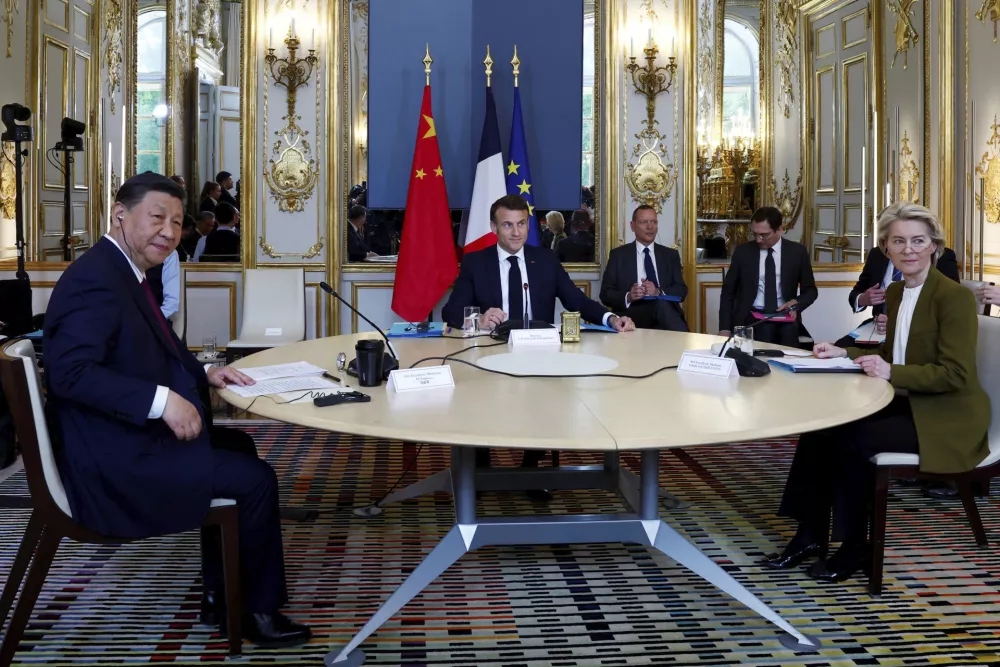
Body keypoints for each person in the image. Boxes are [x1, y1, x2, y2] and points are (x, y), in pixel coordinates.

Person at [43, 172, 311, 646]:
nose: (169, 231)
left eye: (176, 222)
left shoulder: (125, 271)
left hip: (121, 439)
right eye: (157, 218)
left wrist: (204, 373)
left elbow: (160, 345)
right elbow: (71, 374)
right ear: (120, 215)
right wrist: (162, 400)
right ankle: (257, 612)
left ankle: (221, 593)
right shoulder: (94, 280)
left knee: (238, 446)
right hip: (110, 460)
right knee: (255, 480)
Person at [762, 202, 989, 584]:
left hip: (948, 415)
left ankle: (855, 547)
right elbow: (891, 353)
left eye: (919, 240)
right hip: (908, 400)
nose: (909, 249)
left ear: (935, 245)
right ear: (886, 247)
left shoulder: (955, 298)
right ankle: (809, 535)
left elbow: (954, 374)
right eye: (898, 241)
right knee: (821, 427)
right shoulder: (898, 291)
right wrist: (845, 352)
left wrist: (890, 371)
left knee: (854, 440)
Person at [442, 194, 634, 493]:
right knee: (475, 400)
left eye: (521, 224)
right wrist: (478, 318)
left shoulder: (544, 259)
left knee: (549, 401)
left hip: (539, 354)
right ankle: (481, 471)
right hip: (491, 356)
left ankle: (532, 470)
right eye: (508, 225)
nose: (516, 232)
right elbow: (451, 312)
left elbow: (576, 300)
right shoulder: (476, 262)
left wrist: (611, 319)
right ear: (494, 227)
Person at [719, 206, 817, 346]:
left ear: (779, 229)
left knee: (789, 338)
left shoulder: (797, 252)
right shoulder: (743, 252)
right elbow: (728, 292)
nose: (758, 239)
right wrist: (724, 329)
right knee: (765, 331)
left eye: (764, 235)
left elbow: (811, 291)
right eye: (755, 234)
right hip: (751, 316)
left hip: (785, 317)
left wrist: (796, 303)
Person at [834, 242, 961, 349]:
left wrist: (897, 322)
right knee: (837, 351)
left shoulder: (943, 256)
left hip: (918, 332)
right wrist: (862, 299)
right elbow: (856, 292)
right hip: (877, 328)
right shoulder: (877, 254)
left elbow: (949, 305)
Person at [600, 205, 688, 332]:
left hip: (664, 315)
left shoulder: (670, 255)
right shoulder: (618, 255)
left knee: (661, 304)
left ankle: (684, 346)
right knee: (661, 305)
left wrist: (658, 292)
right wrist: (629, 296)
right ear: (632, 226)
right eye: (643, 222)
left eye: (653, 222)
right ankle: (687, 346)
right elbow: (605, 294)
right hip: (632, 314)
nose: (650, 227)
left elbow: (681, 291)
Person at [145, 249, 180, 321]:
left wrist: (150, 321)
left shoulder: (169, 252)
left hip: (154, 322)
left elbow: (171, 304)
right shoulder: (125, 250)